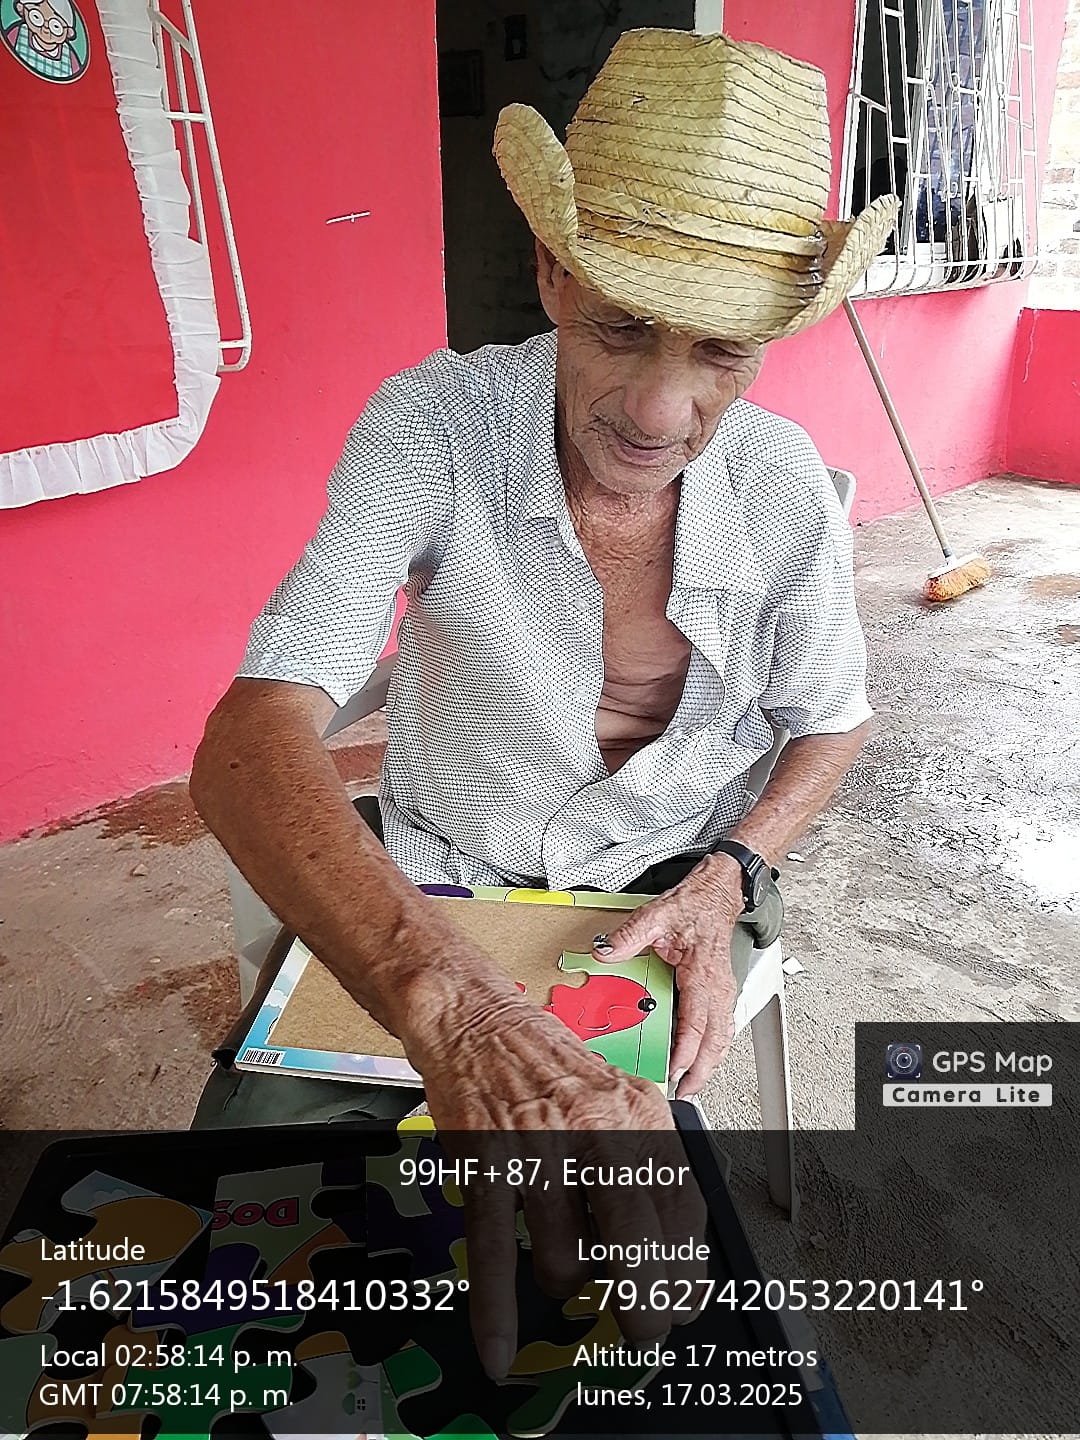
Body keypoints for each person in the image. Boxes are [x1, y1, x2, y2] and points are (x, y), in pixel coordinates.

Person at [189, 29, 897, 1373]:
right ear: (553, 274)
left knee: (641, 1281)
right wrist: (453, 1007)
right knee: (251, 1228)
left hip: (673, 877)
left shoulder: (787, 488)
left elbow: (835, 719)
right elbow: (247, 741)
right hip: (446, 869)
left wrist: (733, 873)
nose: (661, 410)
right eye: (623, 324)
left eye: (721, 351)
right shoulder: (434, 426)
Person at [4, 0, 86, 82]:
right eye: (36, 17)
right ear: (22, 10)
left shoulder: (68, 56)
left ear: (68, 32)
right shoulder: (18, 33)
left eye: (55, 26)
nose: (45, 28)